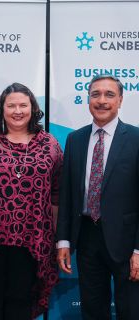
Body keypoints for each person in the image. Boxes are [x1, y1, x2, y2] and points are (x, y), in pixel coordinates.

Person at [0, 82, 63, 320]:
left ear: (33, 109)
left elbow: (57, 194)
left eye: (23, 105)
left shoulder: (49, 144)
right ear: (2, 110)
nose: (17, 111)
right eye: (11, 106)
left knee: (21, 302)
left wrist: (57, 238)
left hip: (33, 238)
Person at [57, 74, 139, 319]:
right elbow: (68, 193)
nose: (102, 100)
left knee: (131, 311)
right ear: (88, 99)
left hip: (126, 242)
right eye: (96, 94)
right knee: (92, 311)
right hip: (87, 238)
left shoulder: (136, 139)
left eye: (109, 94)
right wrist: (63, 241)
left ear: (121, 100)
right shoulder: (75, 139)